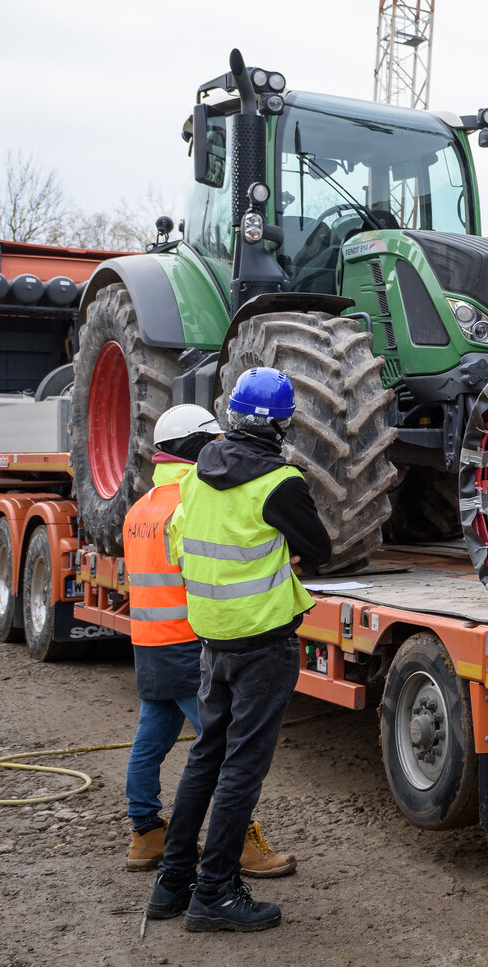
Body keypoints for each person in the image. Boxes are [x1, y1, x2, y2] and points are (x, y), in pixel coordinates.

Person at [148, 369, 331, 933]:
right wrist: (287, 553)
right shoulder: (280, 482)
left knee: (208, 756)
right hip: (264, 642)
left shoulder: (196, 477)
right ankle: (217, 893)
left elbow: (179, 543)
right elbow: (320, 549)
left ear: (230, 415)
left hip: (213, 638)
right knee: (241, 770)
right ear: (283, 423)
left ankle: (174, 881)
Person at [123, 404, 296, 879]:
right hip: (190, 641)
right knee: (224, 752)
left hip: (147, 641)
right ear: (197, 444)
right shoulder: (193, 495)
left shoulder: (140, 507)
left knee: (151, 739)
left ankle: (144, 833)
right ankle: (239, 844)